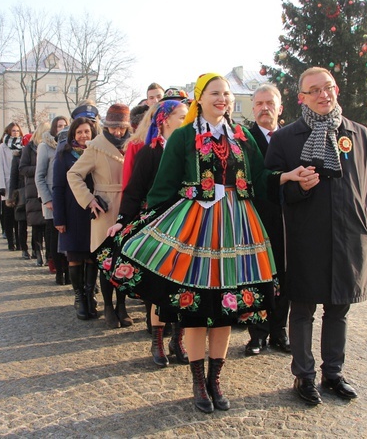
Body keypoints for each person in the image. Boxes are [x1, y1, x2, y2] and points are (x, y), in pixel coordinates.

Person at [109, 73, 311, 413]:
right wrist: (134, 224)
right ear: (200, 99)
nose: (223, 99)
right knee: (195, 308)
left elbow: (260, 180)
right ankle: (198, 381)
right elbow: (163, 188)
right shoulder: (184, 137)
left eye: (227, 94)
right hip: (196, 231)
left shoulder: (242, 136)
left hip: (237, 229)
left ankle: (216, 378)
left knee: (225, 307)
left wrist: (286, 177)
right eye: (215, 93)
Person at [265, 66, 367, 405]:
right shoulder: (286, 137)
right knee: (303, 309)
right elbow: (269, 186)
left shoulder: (358, 134)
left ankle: (333, 373)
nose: (323, 94)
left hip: (349, 236)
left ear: (336, 90)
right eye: (314, 90)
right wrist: (295, 185)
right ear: (301, 97)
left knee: (339, 309)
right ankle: (304, 376)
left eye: (328, 87)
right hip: (305, 237)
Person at [104, 97, 189, 367]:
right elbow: (134, 190)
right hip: (157, 225)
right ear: (164, 120)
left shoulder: (190, 150)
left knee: (185, 285)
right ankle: (158, 340)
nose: (185, 121)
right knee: (159, 287)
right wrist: (122, 220)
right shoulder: (150, 152)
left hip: (186, 225)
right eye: (181, 116)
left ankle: (179, 338)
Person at [67, 103, 132, 329]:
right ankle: (107, 306)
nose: (117, 132)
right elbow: (73, 174)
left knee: (126, 261)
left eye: (121, 128)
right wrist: (89, 199)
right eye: (113, 128)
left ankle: (122, 305)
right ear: (106, 126)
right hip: (105, 209)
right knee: (107, 262)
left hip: (128, 207)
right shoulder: (95, 147)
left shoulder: (133, 144)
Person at [243, 84, 291, 356]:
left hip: (286, 218)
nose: (265, 108)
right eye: (259, 103)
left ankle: (279, 331)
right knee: (257, 274)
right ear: (253, 108)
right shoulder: (244, 139)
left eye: (270, 103)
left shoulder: (289, 137)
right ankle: (257, 334)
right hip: (255, 217)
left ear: (279, 107)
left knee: (284, 274)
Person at [52, 117, 97, 319]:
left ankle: (90, 296)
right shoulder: (64, 155)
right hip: (71, 212)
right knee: (74, 257)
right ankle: (79, 297)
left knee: (91, 255)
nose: (83, 135)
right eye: (79, 132)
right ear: (73, 134)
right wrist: (59, 218)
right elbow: (58, 188)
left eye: (86, 131)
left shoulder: (97, 152)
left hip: (94, 212)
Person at [36, 116, 71, 279]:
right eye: (59, 126)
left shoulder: (71, 146)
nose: (62, 128)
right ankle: (58, 270)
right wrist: (47, 199)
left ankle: (69, 270)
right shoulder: (45, 147)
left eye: (65, 125)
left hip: (67, 197)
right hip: (51, 197)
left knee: (67, 234)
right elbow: (39, 176)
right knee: (53, 234)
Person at [20, 123, 49, 267]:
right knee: (37, 224)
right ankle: (38, 252)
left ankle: (49, 255)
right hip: (33, 189)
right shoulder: (29, 147)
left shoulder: (51, 146)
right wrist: (39, 168)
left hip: (47, 187)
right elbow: (23, 168)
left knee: (48, 224)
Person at [0, 122, 23, 251]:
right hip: (7, 183)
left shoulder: (22, 145)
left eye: (17, 131)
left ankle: (19, 240)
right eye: (13, 130)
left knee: (18, 214)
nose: (15, 133)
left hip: (18, 184)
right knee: (8, 215)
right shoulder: (3, 146)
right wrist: (1, 185)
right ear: (8, 132)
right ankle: (10, 241)